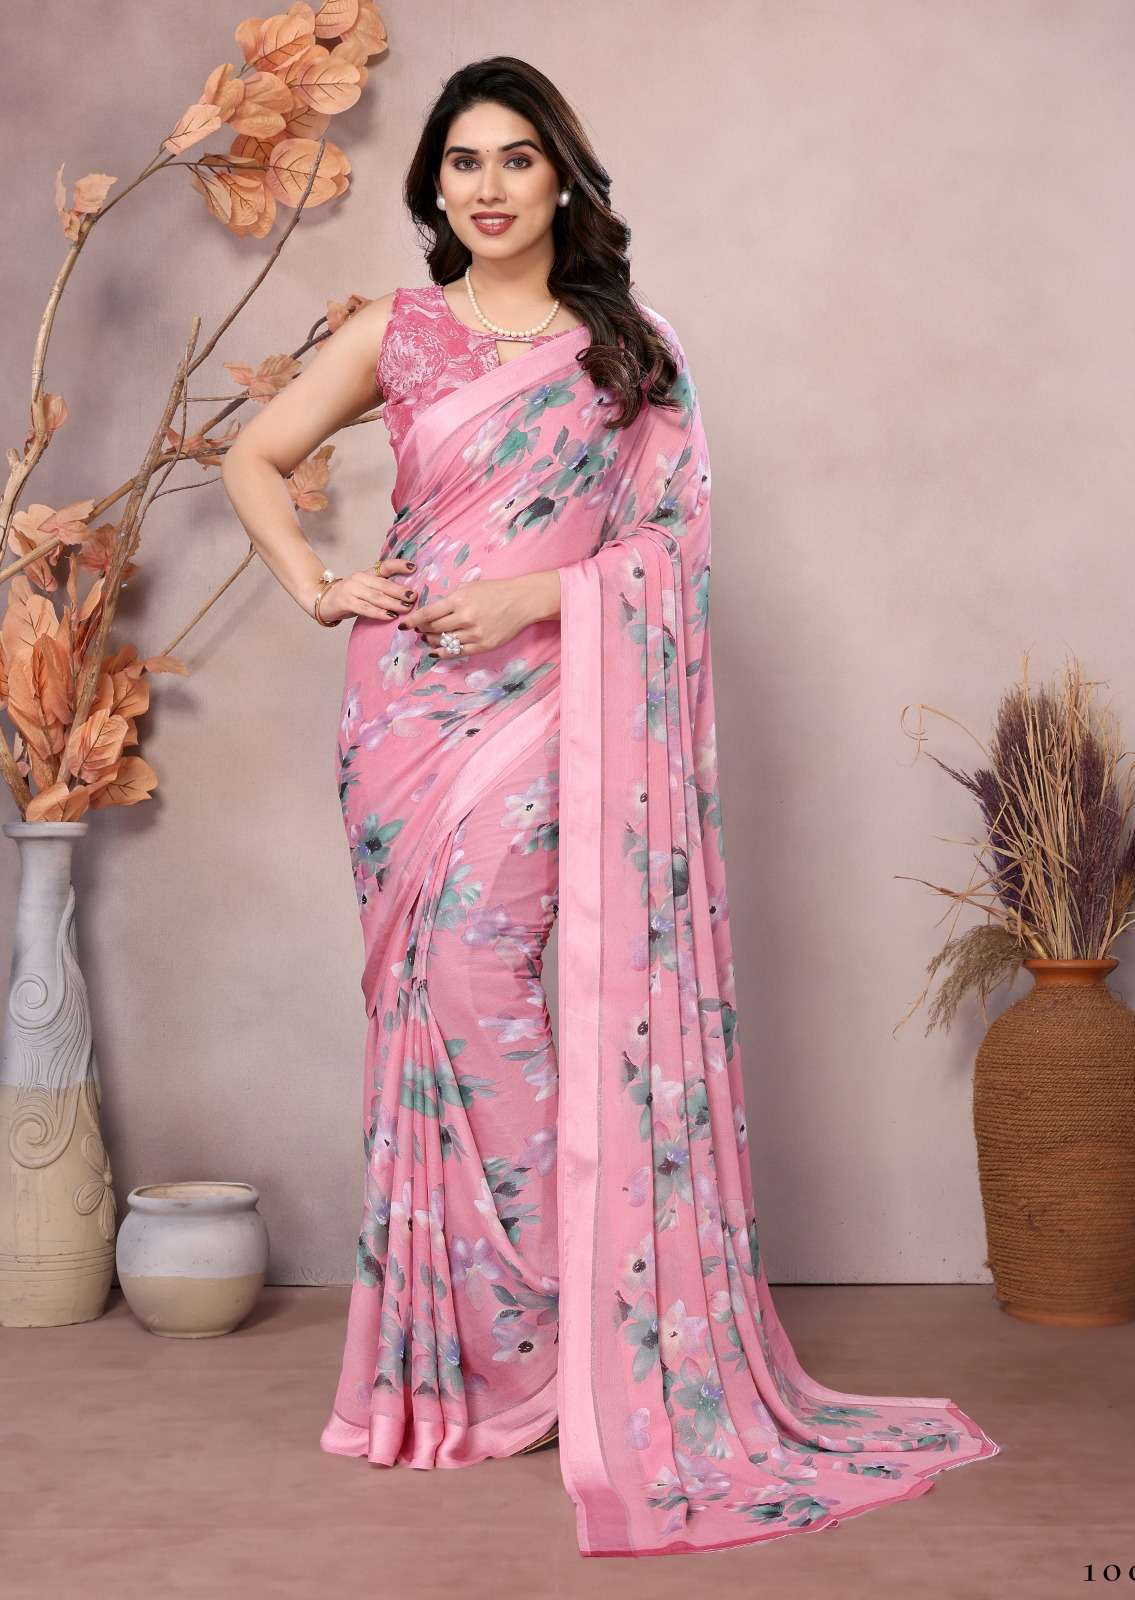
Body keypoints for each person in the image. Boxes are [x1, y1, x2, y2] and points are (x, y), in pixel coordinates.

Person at [220, 54, 1003, 1560]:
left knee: (493, 990)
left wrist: (537, 597)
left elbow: (671, 555)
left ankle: (565, 1335)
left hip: (550, 710)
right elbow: (255, 453)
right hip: (403, 715)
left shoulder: (627, 351)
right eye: (464, 162)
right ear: (433, 185)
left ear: (562, 178)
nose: (490, 187)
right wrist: (320, 587)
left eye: (518, 159)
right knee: (428, 1012)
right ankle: (480, 1360)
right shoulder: (397, 331)